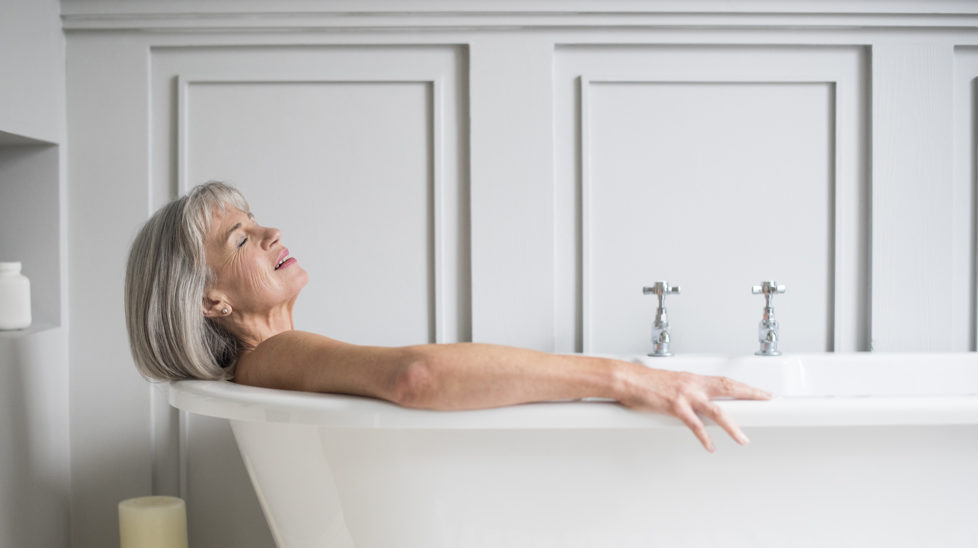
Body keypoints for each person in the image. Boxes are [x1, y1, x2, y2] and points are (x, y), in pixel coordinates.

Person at [125, 181, 770, 453]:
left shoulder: (275, 366)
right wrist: (627, 378)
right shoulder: (269, 359)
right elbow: (418, 377)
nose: (270, 232)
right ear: (214, 303)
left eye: (255, 220)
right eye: (241, 239)